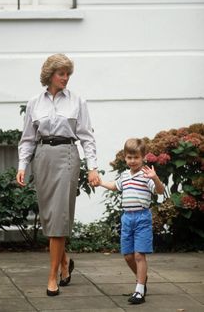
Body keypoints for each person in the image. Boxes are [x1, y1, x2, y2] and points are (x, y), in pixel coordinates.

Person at [16, 53, 100, 296]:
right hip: (42, 157)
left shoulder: (77, 101)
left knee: (59, 217)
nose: (65, 78)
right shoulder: (34, 102)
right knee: (49, 216)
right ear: (50, 75)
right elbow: (28, 139)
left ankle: (52, 277)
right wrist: (23, 166)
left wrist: (92, 167)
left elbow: (87, 137)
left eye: (68, 74)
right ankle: (64, 262)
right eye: (61, 73)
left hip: (67, 156)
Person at [98, 138, 164, 304]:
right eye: (129, 157)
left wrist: (155, 178)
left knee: (139, 255)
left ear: (143, 158)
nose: (133, 161)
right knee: (128, 256)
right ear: (125, 158)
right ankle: (142, 278)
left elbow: (160, 191)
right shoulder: (125, 175)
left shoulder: (147, 175)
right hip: (127, 218)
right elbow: (115, 186)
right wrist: (100, 183)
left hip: (142, 218)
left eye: (136, 157)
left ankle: (139, 290)